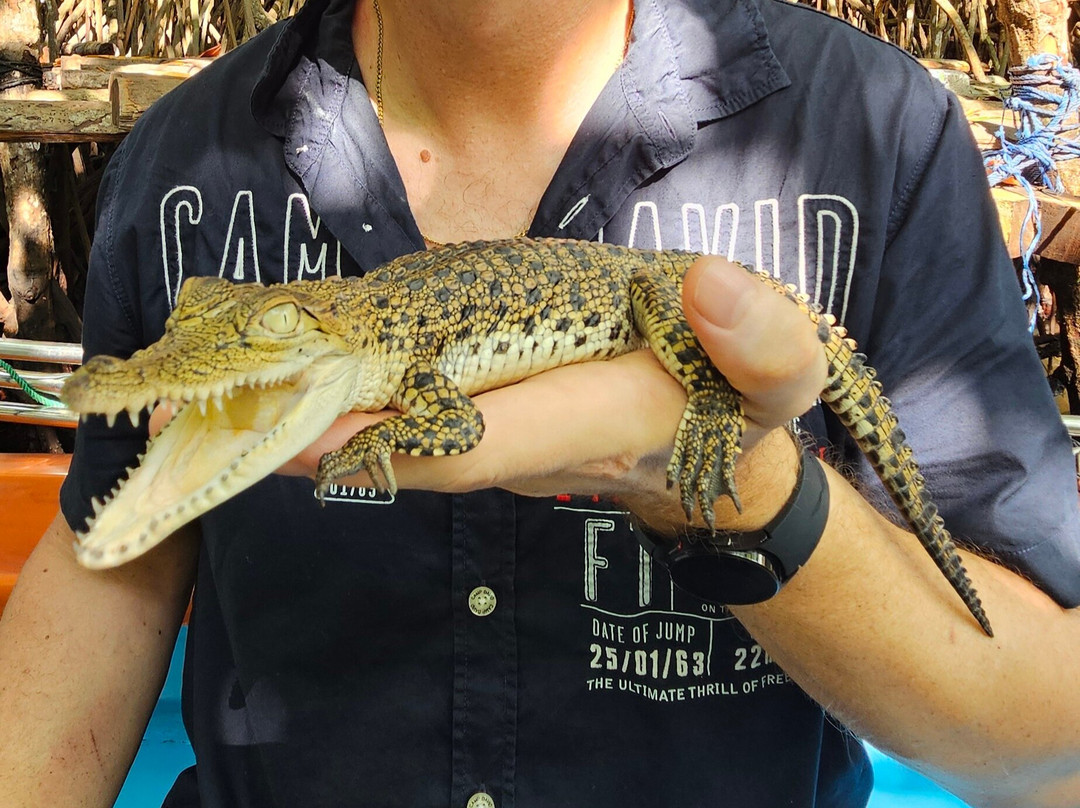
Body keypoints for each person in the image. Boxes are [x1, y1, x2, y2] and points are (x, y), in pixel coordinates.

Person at [1, 0, 1079, 805]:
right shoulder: (182, 154)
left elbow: (1050, 738)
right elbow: (112, 556)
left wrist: (734, 479)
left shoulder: (882, 131)